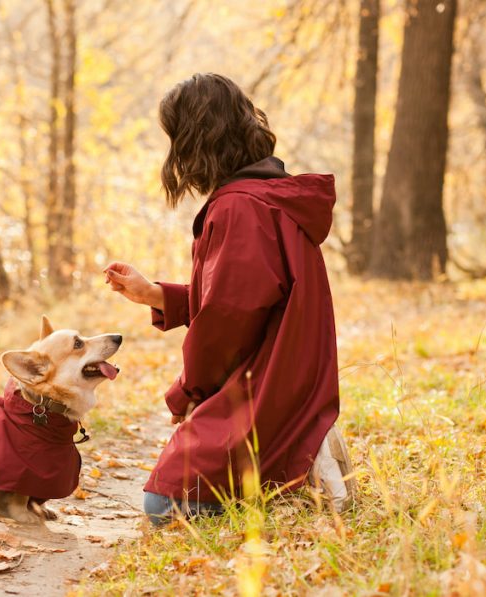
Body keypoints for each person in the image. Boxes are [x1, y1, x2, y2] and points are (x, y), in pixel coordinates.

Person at [105, 73, 354, 524]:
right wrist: (155, 295)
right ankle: (301, 462)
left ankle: (296, 479)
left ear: (193, 141)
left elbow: (229, 318)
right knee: (172, 495)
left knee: (166, 505)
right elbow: (240, 297)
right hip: (283, 380)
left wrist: (188, 393)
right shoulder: (266, 197)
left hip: (265, 387)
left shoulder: (239, 206)